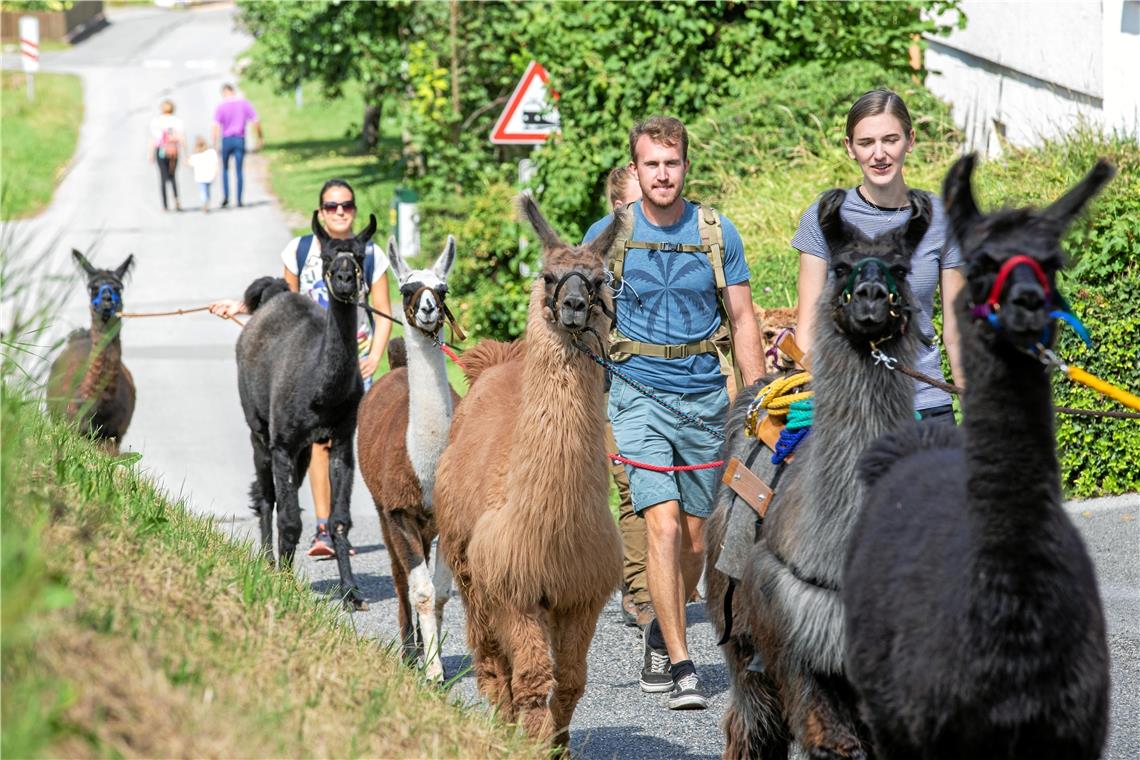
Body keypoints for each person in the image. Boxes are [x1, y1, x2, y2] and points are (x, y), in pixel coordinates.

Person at [583, 116, 764, 711]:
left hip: (705, 398)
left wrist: (756, 395)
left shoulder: (717, 232)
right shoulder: (608, 233)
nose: (662, 174)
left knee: (694, 538)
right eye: (650, 165)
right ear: (634, 169)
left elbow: (742, 319)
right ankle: (684, 664)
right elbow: (578, 314)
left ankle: (664, 629)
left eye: (672, 163)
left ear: (686, 165)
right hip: (637, 395)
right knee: (659, 525)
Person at [210, 179, 393, 556]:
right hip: (305, 359)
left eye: (346, 205)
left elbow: (383, 312)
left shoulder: (369, 255)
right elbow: (285, 303)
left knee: (341, 442)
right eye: (331, 206)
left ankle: (338, 525)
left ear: (354, 209)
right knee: (317, 444)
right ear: (321, 211)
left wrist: (375, 355)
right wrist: (244, 306)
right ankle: (322, 527)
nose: (339, 211)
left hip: (354, 357)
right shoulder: (302, 250)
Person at [792, 89, 965, 420]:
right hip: (852, 409)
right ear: (849, 148)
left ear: (910, 140)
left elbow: (957, 333)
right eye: (866, 142)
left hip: (925, 401)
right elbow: (809, 330)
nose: (879, 154)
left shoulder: (943, 219)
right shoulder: (823, 218)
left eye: (890, 139)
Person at [602, 166, 656, 630]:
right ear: (618, 208)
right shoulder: (596, 250)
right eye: (637, 202)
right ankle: (640, 592)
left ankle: (647, 580)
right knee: (630, 487)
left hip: (665, 386)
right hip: (609, 387)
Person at [212, 83, 263, 209]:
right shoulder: (244, 104)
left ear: (224, 93)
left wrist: (215, 143)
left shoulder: (221, 106)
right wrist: (260, 137)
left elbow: (216, 126)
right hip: (239, 139)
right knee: (239, 170)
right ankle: (239, 199)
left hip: (226, 139)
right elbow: (255, 121)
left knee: (225, 169)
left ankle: (226, 196)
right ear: (233, 91)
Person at [149, 99, 185, 211]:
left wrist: (151, 154)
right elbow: (181, 138)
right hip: (174, 151)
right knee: (173, 176)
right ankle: (176, 198)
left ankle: (165, 205)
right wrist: (185, 153)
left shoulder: (157, 121)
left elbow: (154, 140)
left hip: (161, 151)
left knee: (163, 177)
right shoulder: (177, 121)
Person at [187, 137, 218, 214]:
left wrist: (186, 160)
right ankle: (206, 202)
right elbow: (216, 163)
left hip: (200, 178)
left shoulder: (196, 156)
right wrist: (216, 172)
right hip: (209, 177)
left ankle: (205, 202)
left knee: (203, 191)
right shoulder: (211, 152)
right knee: (207, 190)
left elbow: (189, 163)